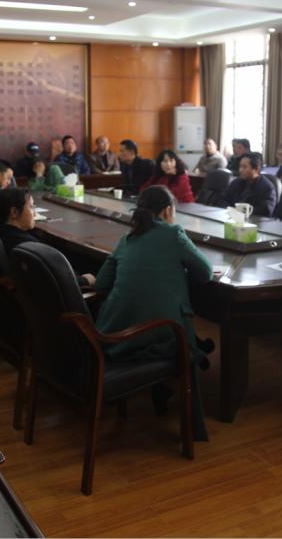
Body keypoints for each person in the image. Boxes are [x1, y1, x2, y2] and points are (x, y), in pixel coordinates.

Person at [94, 186, 213, 440]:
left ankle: (165, 388)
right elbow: (205, 272)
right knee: (183, 334)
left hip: (113, 334)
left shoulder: (127, 239)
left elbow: (102, 284)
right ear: (168, 211)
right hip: (156, 336)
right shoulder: (173, 234)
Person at [0, 188, 94, 288]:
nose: (35, 213)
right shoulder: (28, 247)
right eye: (31, 207)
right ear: (14, 212)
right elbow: (53, 278)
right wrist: (84, 280)